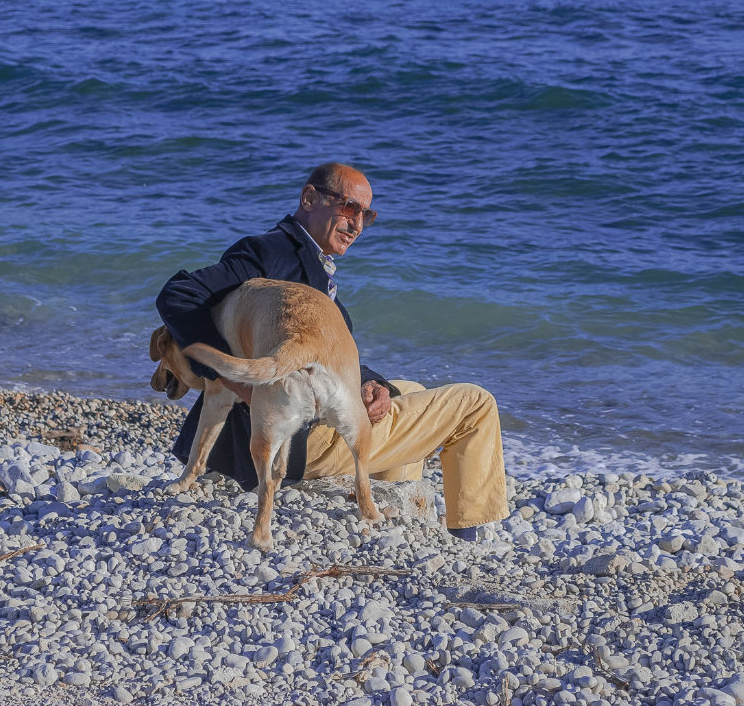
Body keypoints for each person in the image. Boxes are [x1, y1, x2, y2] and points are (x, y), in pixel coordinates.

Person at [155, 162, 509, 541]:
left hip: (300, 413)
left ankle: (395, 505)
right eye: (349, 208)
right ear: (310, 198)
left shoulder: (309, 267)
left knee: (407, 388)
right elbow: (179, 294)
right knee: (476, 403)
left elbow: (318, 350)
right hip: (294, 439)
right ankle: (467, 537)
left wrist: (373, 383)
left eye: (366, 214)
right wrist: (234, 378)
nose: (357, 224)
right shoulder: (268, 252)